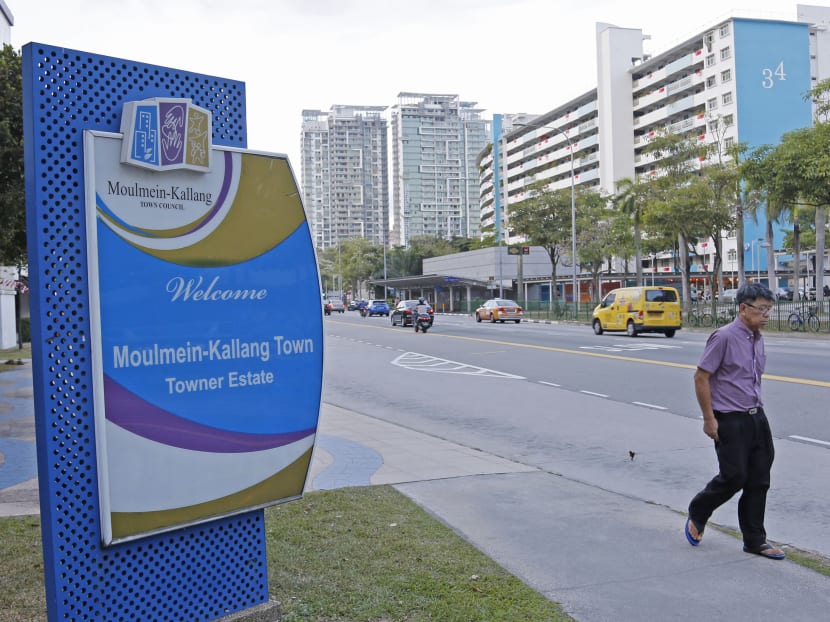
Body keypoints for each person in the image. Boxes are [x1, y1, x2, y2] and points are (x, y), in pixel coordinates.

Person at [685, 282, 785, 559]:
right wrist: (709, 419)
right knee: (734, 476)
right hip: (729, 419)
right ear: (744, 309)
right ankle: (699, 509)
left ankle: (755, 539)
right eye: (762, 309)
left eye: (769, 309)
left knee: (759, 479)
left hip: (756, 417)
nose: (767, 315)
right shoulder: (724, 337)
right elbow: (701, 377)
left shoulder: (757, 338)